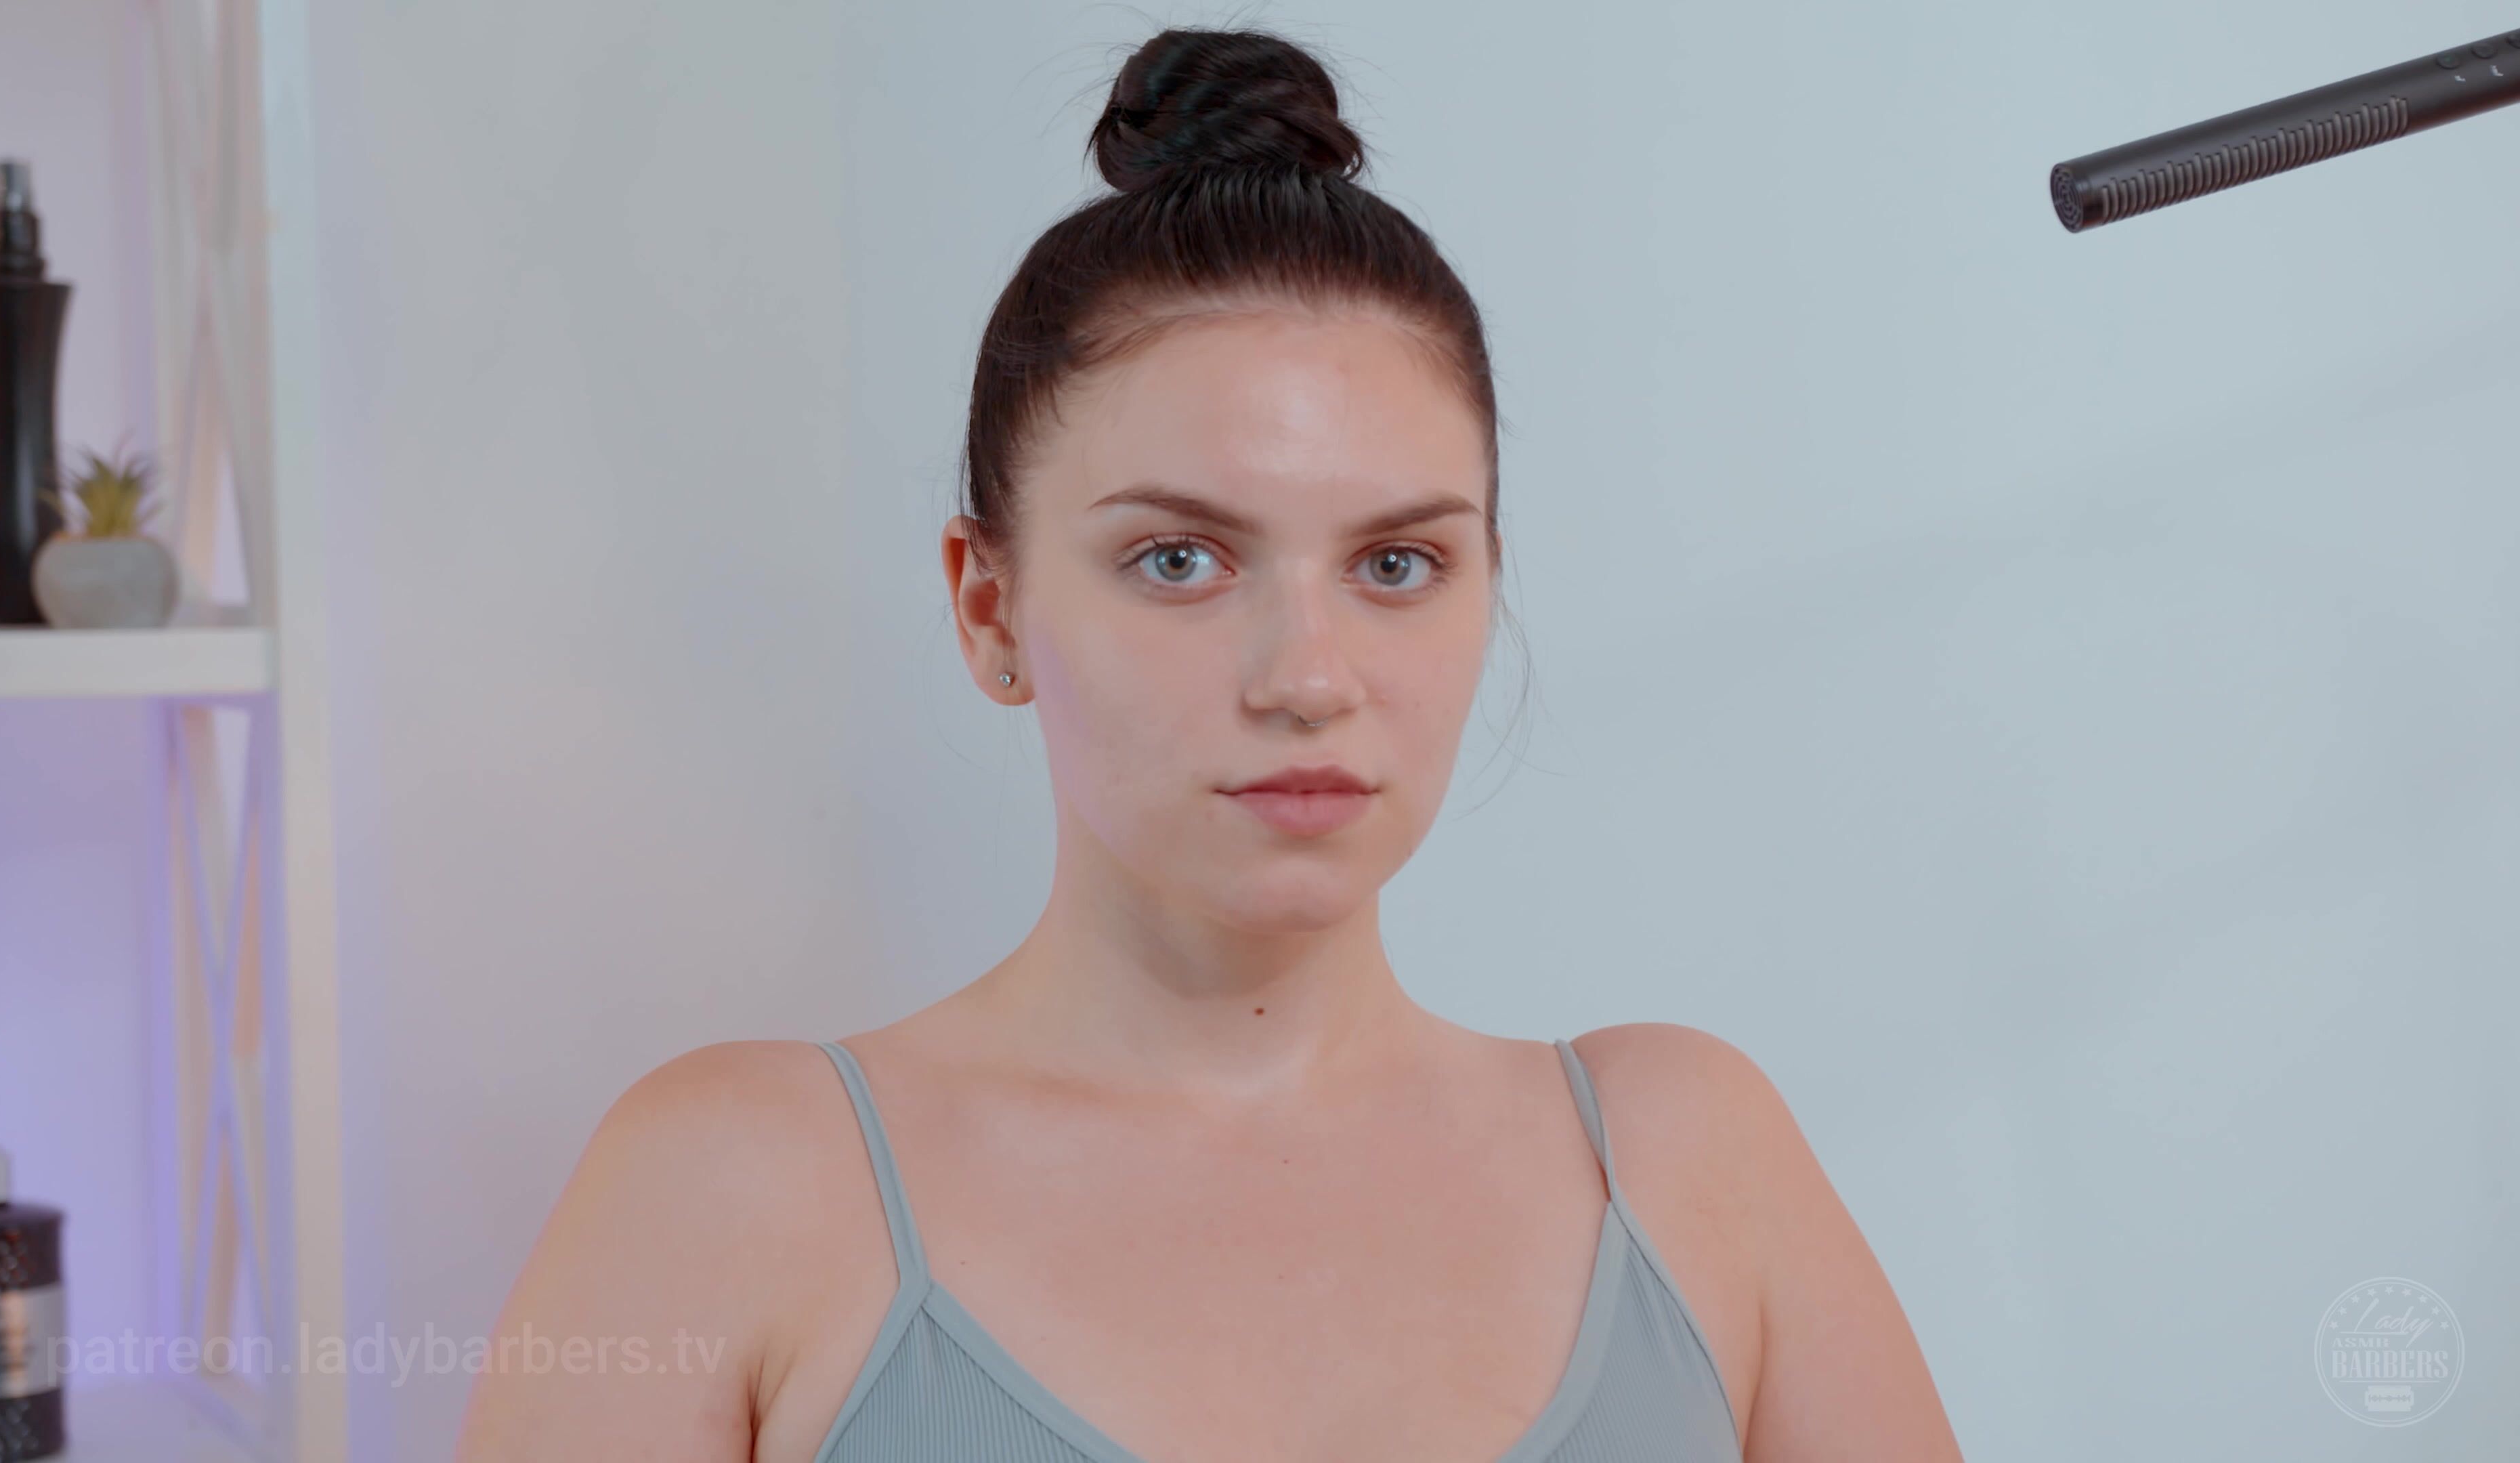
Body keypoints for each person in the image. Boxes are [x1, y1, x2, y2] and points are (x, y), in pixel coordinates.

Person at [456, 26, 1962, 1463]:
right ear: (988, 606)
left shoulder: (1687, 1166)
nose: (1308, 678)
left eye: (1397, 564)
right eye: (1180, 560)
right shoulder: (731, 1192)